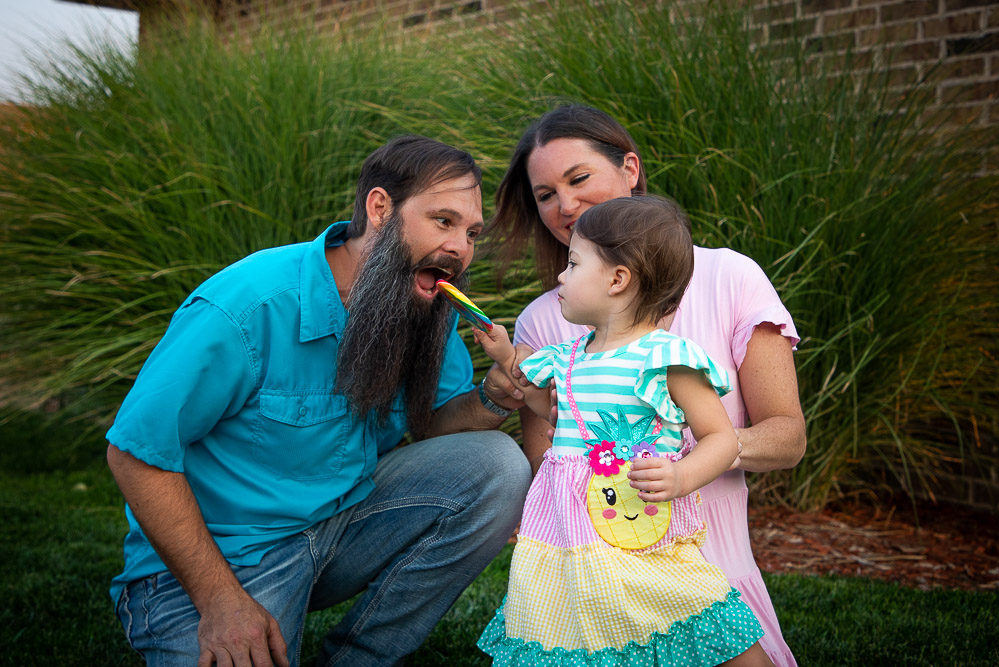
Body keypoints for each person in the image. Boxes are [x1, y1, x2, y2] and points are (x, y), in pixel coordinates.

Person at [105, 135, 532, 667]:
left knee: (497, 466)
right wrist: (221, 602)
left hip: (339, 527)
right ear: (380, 209)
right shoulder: (250, 304)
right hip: (228, 559)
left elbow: (433, 429)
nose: (460, 248)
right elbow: (135, 453)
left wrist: (495, 395)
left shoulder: (425, 307)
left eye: (471, 233)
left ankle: (362, 657)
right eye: (442, 221)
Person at [491, 105, 806, 666]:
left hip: (700, 569)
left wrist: (687, 460)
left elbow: (787, 438)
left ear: (630, 169)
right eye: (544, 194)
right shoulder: (547, 323)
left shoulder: (728, 278)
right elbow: (553, 462)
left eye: (578, 178)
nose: (564, 206)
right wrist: (514, 379)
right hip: (592, 577)